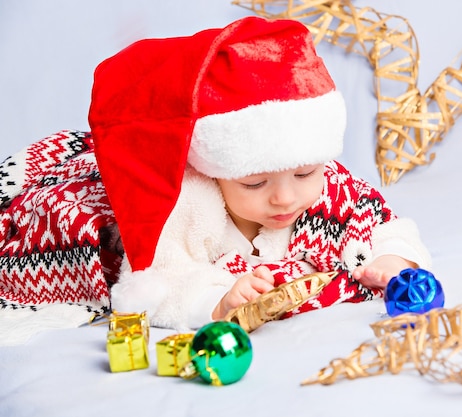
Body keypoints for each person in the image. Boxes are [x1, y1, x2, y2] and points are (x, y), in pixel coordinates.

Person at [89, 15, 432, 331]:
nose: (284, 197)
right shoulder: (189, 204)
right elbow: (159, 278)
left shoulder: (332, 186)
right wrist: (216, 302)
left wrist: (391, 261)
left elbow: (382, 224)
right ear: (215, 172)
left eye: (304, 174)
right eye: (254, 182)